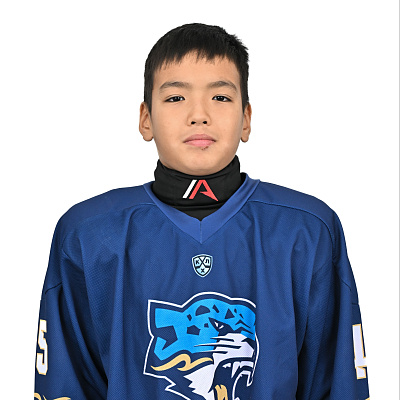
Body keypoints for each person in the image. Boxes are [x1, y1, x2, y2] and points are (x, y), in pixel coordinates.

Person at [34, 23, 370, 399]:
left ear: (246, 119)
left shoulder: (308, 231)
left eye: (220, 97)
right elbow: (66, 384)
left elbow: (336, 384)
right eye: (176, 97)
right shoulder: (88, 234)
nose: (199, 115)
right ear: (146, 119)